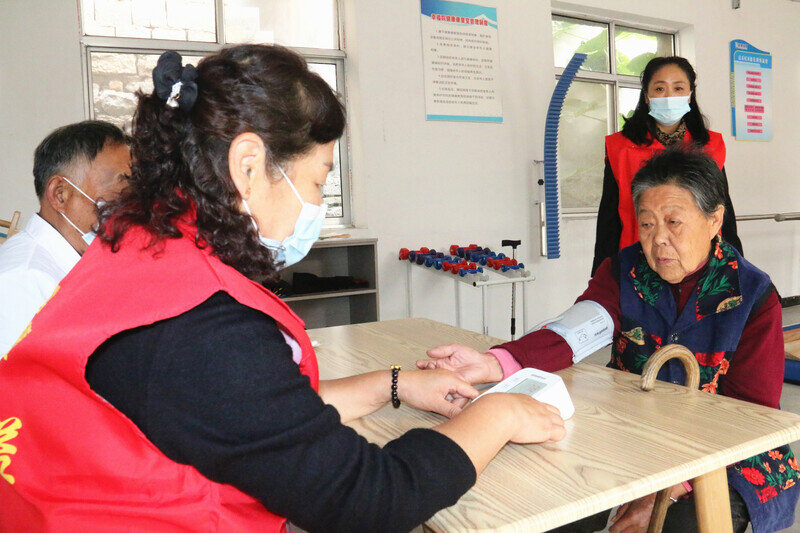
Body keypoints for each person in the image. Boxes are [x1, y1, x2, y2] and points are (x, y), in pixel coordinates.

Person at [0, 46, 566, 532]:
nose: (317, 207)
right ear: (248, 164)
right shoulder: (200, 324)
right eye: (317, 181)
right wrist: (501, 416)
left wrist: (392, 385)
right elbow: (367, 501)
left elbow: (243, 416)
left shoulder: (142, 244)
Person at [420, 148, 799, 533]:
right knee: (550, 507)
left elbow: (748, 418)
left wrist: (663, 490)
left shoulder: (752, 296)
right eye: (647, 225)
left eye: (673, 223)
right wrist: (493, 363)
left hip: (728, 455)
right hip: (632, 432)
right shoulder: (624, 270)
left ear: (715, 219)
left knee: (681, 526)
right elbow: (574, 332)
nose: (659, 240)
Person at [592, 56, 742, 275]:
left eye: (678, 88)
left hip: (698, 262)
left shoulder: (710, 146)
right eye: (660, 88)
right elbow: (609, 218)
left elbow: (723, 211)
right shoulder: (620, 147)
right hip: (640, 260)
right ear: (646, 96)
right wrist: (601, 273)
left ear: (690, 96)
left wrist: (737, 262)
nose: (669, 95)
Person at [0, 120, 129, 356]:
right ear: (60, 194)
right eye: (120, 188)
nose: (131, 203)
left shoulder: (83, 264)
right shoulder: (22, 280)